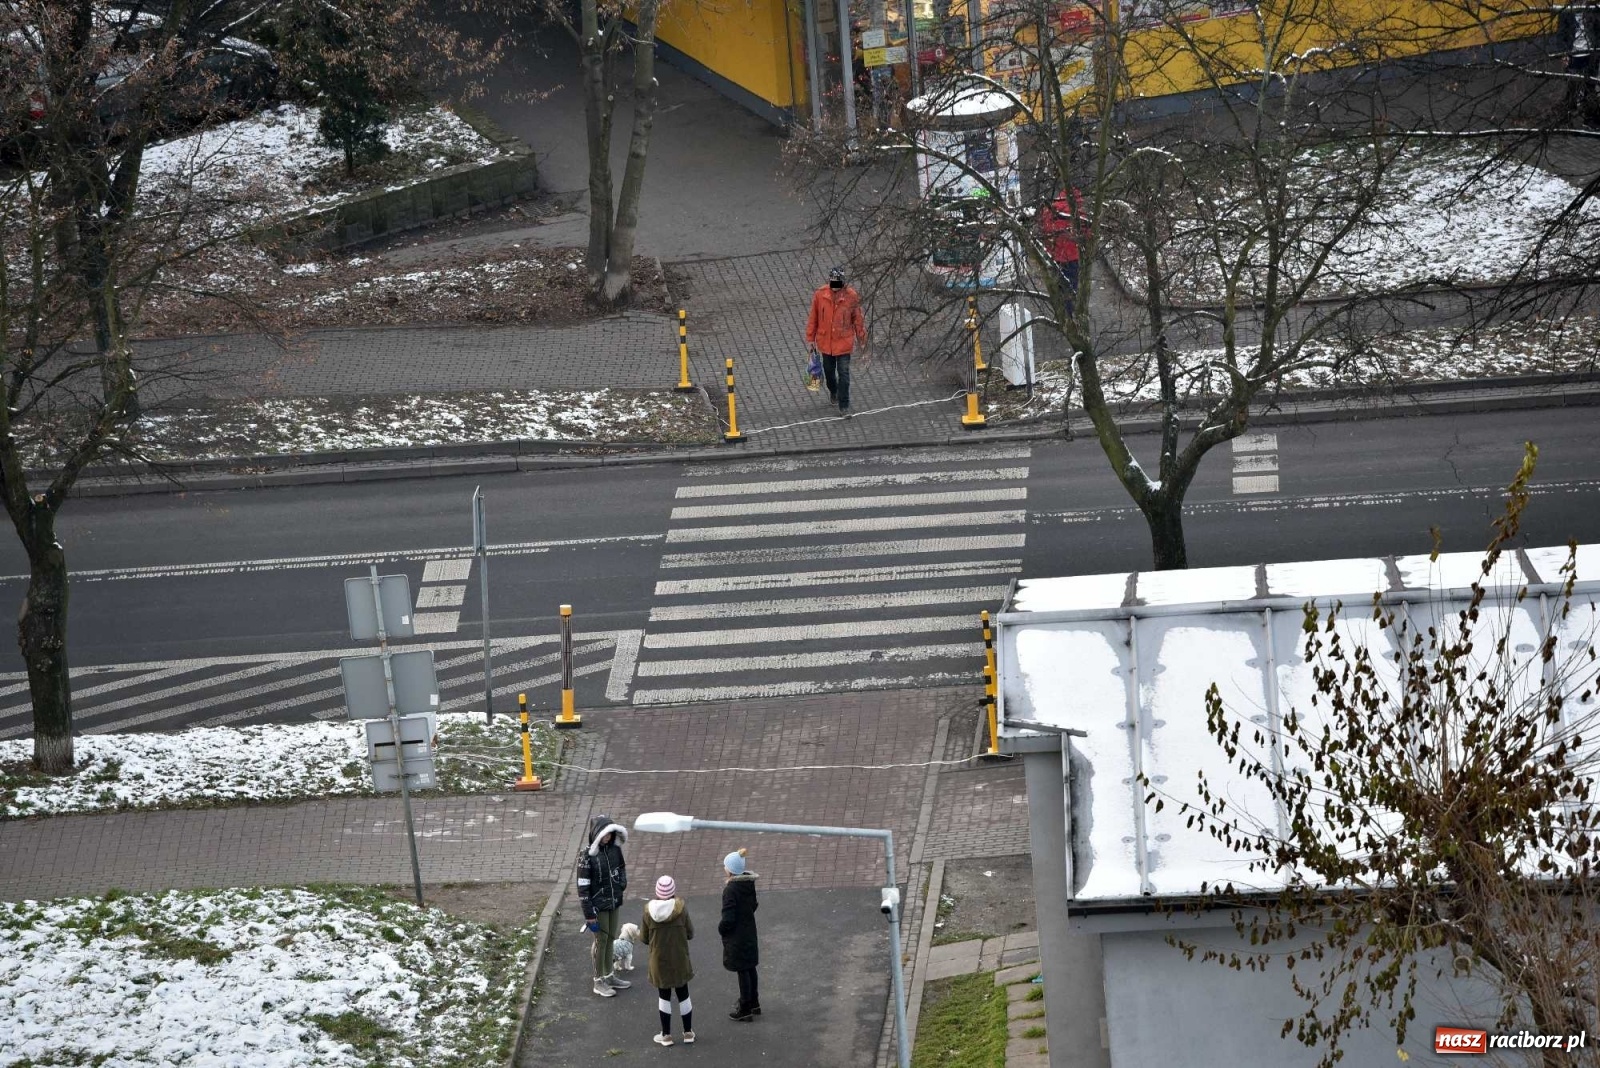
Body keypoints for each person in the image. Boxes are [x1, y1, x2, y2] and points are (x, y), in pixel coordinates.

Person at [576, 814, 631, 997]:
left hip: (614, 901)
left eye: (610, 833)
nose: (607, 837)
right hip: (597, 906)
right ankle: (598, 981)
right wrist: (589, 914)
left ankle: (609, 975)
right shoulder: (586, 856)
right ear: (596, 834)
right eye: (604, 834)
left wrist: (621, 885)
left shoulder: (615, 850)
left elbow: (621, 868)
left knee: (610, 939)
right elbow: (582, 887)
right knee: (601, 940)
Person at [804, 266, 868, 418]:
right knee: (829, 373)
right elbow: (814, 317)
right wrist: (811, 338)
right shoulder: (820, 295)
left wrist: (862, 338)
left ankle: (844, 405)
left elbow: (858, 319)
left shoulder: (851, 296)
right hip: (826, 343)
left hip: (844, 343)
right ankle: (834, 391)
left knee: (844, 374)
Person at [643, 874, 696, 1046]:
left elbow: (644, 938)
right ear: (673, 892)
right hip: (679, 958)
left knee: (664, 996)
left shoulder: (648, 911)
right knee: (683, 995)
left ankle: (666, 1035)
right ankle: (688, 1033)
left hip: (659, 960)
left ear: (657, 892)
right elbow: (690, 933)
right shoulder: (681, 908)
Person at [719, 848, 761, 1021]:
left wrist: (722, 929)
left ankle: (745, 1008)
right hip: (749, 931)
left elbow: (728, 918)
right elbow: (754, 905)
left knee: (742, 971)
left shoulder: (730, 890)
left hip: (737, 936)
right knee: (750, 967)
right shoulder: (748, 884)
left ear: (730, 870)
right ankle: (754, 1002)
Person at [1040, 188, 1085, 316]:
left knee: (1058, 288)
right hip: (1071, 258)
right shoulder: (1076, 213)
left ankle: (1061, 314)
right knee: (1070, 289)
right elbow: (1085, 234)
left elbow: (1044, 231)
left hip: (1054, 257)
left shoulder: (1050, 210)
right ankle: (1069, 316)